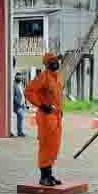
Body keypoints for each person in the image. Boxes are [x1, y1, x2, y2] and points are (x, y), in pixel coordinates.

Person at [25, 53, 64, 186]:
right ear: (47, 63)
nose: (56, 62)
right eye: (53, 61)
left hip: (56, 117)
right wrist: (41, 105)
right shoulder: (43, 77)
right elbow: (29, 91)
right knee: (46, 146)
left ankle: (49, 174)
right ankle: (43, 176)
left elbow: (57, 98)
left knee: (54, 146)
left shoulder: (57, 78)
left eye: (56, 60)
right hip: (46, 116)